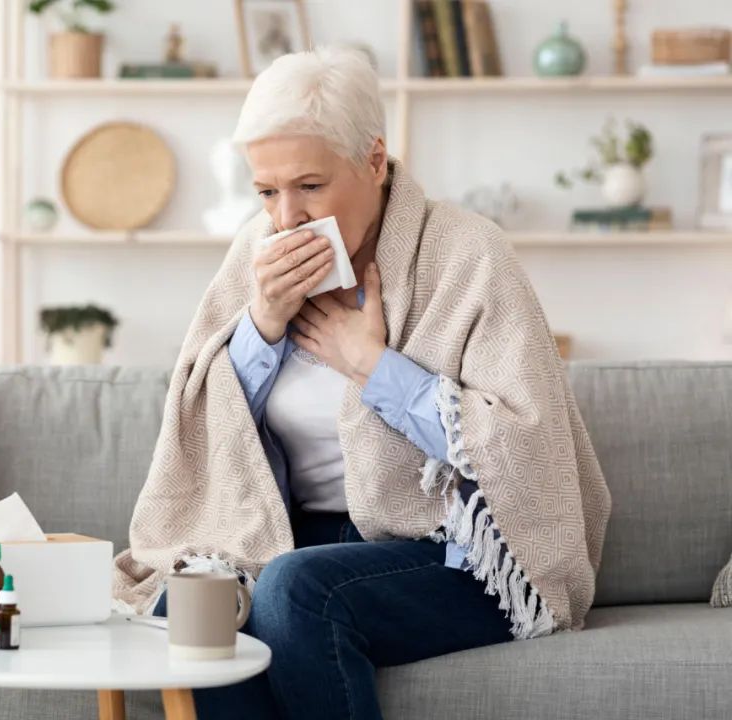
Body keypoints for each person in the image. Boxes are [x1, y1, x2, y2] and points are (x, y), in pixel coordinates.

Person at [113, 46, 611, 720]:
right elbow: (208, 420)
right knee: (189, 606)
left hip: (450, 554)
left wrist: (373, 368)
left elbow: (523, 443)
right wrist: (262, 325)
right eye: (267, 192)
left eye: (310, 185)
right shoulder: (253, 255)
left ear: (374, 161)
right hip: (293, 537)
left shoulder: (469, 253)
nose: (286, 217)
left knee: (296, 590)